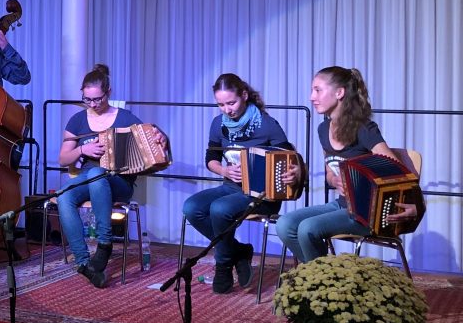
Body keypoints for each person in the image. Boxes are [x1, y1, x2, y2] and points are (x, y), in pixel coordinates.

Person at [277, 66, 420, 263]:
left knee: (308, 229)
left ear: (339, 93)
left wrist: (416, 204)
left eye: (317, 90)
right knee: (285, 224)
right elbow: (330, 172)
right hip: (342, 205)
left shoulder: (364, 129)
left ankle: (323, 279)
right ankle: (324, 274)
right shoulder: (323, 129)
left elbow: (395, 167)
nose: (311, 97)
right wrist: (335, 180)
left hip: (366, 213)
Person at [182, 73, 300, 294]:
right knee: (191, 207)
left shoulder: (267, 124)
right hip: (231, 187)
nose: (227, 109)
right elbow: (211, 159)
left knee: (219, 209)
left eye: (231, 103)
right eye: (221, 105)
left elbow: (290, 159)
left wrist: (293, 172)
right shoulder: (218, 124)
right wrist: (224, 170)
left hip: (262, 195)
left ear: (244, 95)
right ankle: (237, 251)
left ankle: (223, 264)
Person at [56, 64, 167, 288]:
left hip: (120, 181)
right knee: (63, 195)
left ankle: (104, 243)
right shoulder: (77, 120)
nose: (93, 104)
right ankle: (84, 263)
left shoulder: (126, 118)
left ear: (109, 92)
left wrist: (161, 137)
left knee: (97, 172)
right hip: (89, 179)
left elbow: (152, 143)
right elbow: (63, 159)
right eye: (87, 99)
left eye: (97, 99)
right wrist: (82, 149)